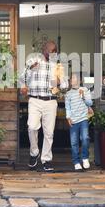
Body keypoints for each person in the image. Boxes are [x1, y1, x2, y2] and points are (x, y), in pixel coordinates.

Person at [20, 40, 68, 172]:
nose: (50, 53)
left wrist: (59, 81)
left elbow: (64, 85)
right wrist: (29, 72)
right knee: (32, 127)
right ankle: (34, 153)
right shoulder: (33, 62)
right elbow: (22, 78)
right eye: (49, 50)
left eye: (53, 51)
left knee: (49, 133)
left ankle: (46, 159)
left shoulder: (58, 66)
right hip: (34, 100)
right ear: (43, 50)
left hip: (51, 101)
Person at [65, 73, 93, 171]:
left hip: (83, 119)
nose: (72, 79)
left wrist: (83, 96)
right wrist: (68, 118)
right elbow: (67, 107)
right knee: (74, 142)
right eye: (71, 78)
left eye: (74, 77)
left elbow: (90, 103)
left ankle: (85, 158)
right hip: (73, 120)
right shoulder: (68, 94)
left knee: (85, 138)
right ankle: (76, 161)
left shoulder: (85, 90)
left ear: (79, 80)